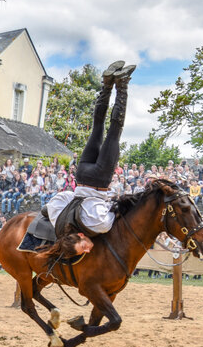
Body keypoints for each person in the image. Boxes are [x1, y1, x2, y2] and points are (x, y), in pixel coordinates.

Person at [46, 60, 136, 254]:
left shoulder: (97, 224)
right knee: (97, 127)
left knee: (114, 131)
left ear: (80, 236)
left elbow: (115, 209)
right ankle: (106, 84)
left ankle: (122, 85)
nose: (87, 249)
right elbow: (58, 200)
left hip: (99, 180)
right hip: (82, 176)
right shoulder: (59, 220)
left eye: (83, 247)